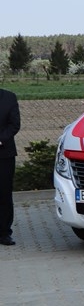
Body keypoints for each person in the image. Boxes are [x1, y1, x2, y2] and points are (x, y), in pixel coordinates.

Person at [0, 88, 20, 246]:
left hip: (4, 155)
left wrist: (0, 139)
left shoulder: (9, 97)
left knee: (4, 194)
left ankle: (4, 233)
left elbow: (14, 124)